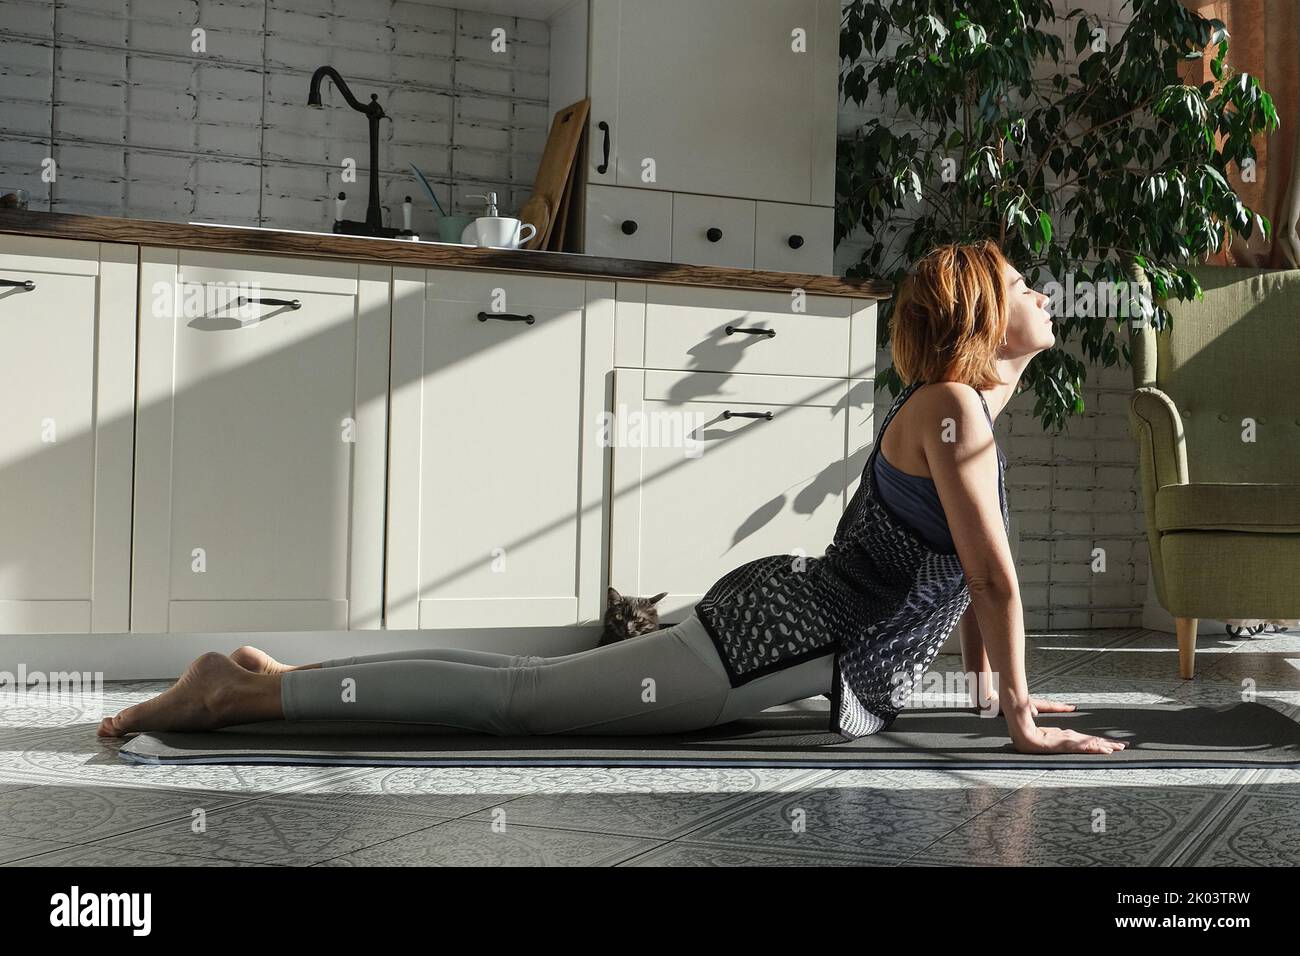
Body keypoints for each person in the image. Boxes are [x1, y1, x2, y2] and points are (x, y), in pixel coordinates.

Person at [98, 241, 1126, 756]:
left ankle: (278, 674)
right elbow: (988, 576)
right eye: (1025, 283)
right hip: (763, 639)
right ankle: (237, 694)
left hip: (776, 621)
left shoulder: (955, 408)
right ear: (987, 317)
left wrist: (1007, 700)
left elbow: (960, 581)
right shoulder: (953, 406)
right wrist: (1020, 721)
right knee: (518, 704)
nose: (1043, 292)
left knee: (517, 681)